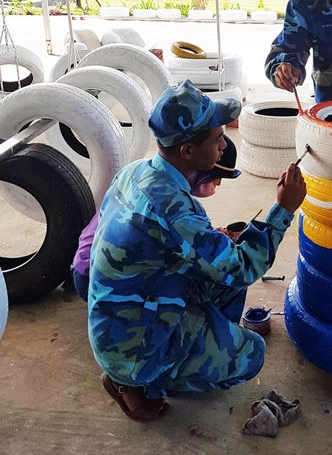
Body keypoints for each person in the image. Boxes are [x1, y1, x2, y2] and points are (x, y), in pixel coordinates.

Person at [88, 81, 306, 423]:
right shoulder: (174, 212)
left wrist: (218, 239)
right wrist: (283, 210)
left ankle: (195, 346)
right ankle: (139, 381)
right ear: (187, 151)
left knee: (226, 274)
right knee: (251, 353)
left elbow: (169, 245)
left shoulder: (137, 172)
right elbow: (243, 268)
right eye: (217, 138)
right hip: (131, 345)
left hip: (123, 313)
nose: (224, 146)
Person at [71, 135, 242, 302]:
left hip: (84, 267)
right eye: (217, 178)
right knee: (222, 275)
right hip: (98, 283)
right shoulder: (172, 204)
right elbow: (229, 265)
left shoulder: (138, 169)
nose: (218, 184)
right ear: (198, 167)